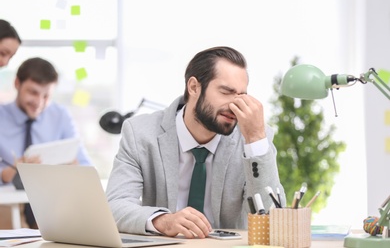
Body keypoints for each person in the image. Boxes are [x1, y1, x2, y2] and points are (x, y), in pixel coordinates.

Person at [105, 46, 286, 239]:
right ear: (194, 87)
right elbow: (114, 206)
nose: (235, 106)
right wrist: (164, 221)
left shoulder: (252, 137)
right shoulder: (140, 133)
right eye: (226, 92)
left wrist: (256, 140)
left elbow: (274, 219)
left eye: (242, 96)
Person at [0, 57, 92, 228]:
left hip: (52, 205)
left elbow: (86, 166)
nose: (39, 103)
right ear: (17, 83)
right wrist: (5, 173)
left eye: (46, 96)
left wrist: (72, 168)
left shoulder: (61, 116)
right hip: (9, 206)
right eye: (33, 93)